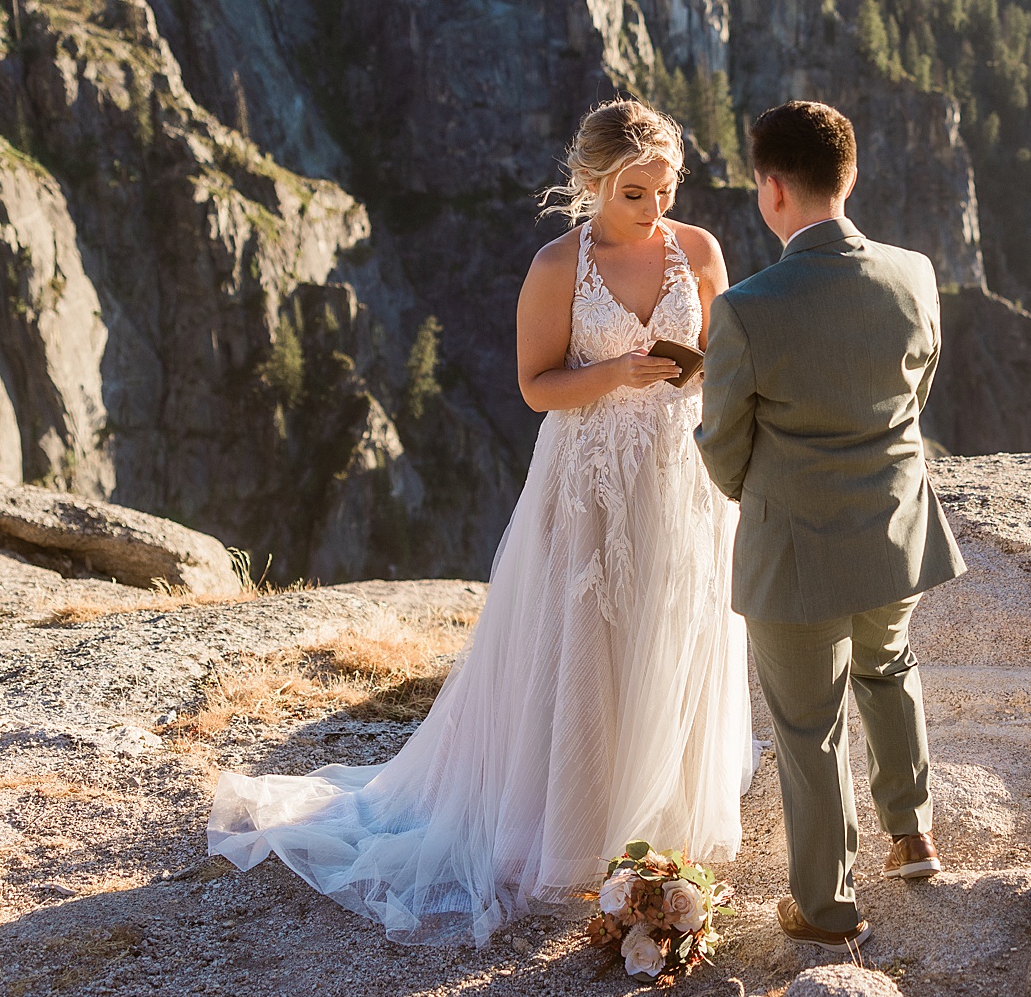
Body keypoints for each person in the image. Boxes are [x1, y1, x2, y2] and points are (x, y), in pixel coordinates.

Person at [208, 100, 756, 943]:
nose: (655, 209)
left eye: (665, 189)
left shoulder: (701, 252)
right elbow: (536, 386)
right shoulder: (555, 268)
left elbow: (723, 359)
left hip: (681, 472)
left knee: (673, 633)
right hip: (592, 476)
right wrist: (615, 370)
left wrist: (693, 374)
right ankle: (572, 831)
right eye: (635, 194)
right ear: (592, 185)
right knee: (587, 643)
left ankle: (660, 824)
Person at [695, 100, 966, 949]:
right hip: (894, 526)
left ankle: (827, 908)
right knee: (888, 664)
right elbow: (917, 391)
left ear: (772, 190)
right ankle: (913, 834)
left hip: (796, 545)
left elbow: (722, 441)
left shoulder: (747, 308)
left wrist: (762, 493)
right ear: (848, 177)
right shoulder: (914, 273)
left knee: (809, 725)